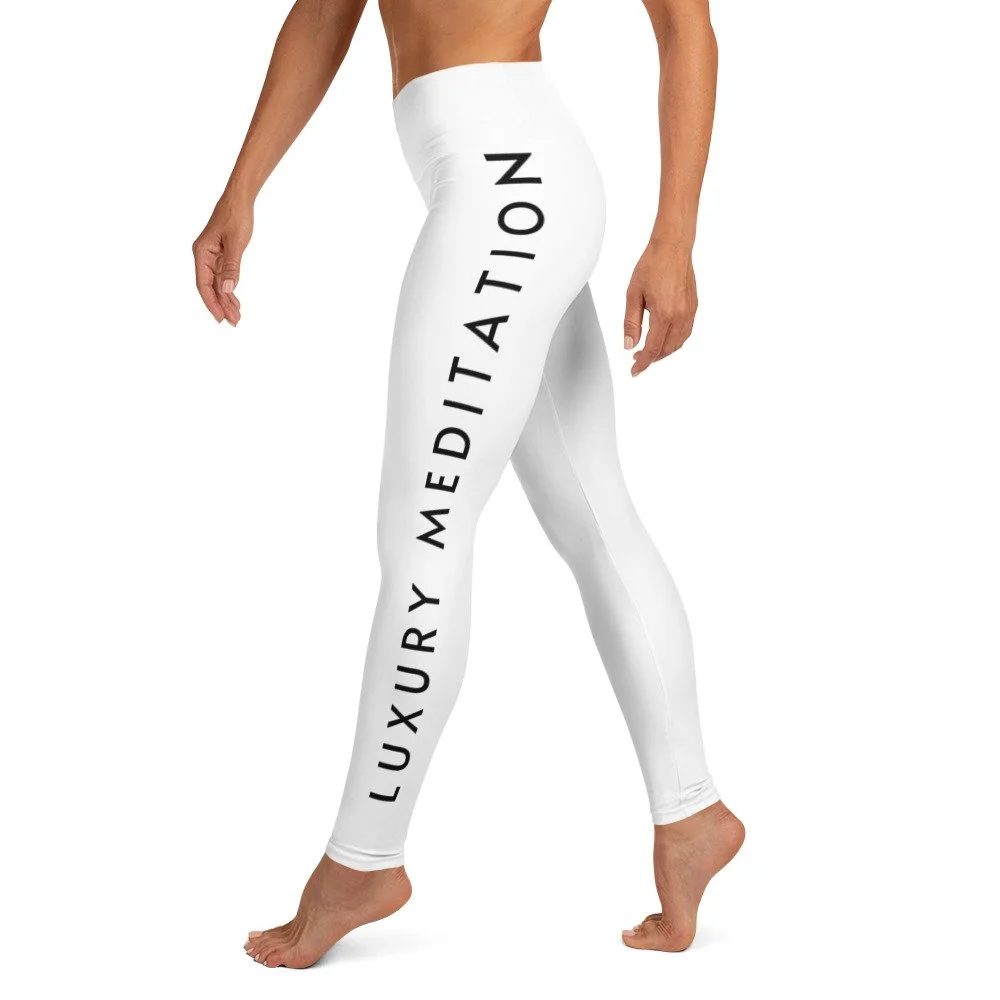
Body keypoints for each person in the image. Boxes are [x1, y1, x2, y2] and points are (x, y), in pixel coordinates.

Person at [193, 0, 743, 968]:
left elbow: (685, 26)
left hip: (509, 188)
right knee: (594, 517)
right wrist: (242, 190)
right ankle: (691, 813)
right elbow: (325, 13)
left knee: (424, 530)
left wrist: (675, 237)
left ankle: (363, 857)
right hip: (505, 185)